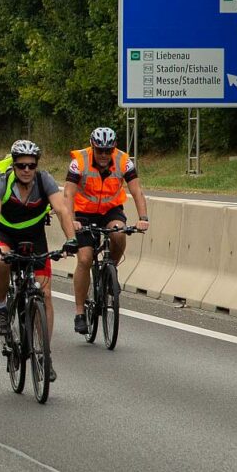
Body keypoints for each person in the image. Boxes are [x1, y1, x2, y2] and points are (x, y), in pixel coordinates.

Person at [0, 140, 77, 382]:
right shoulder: (1, 182)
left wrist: (71, 240)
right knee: (2, 262)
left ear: (36, 166)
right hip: (5, 234)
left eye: (31, 165)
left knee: (45, 295)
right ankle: (2, 304)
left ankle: (45, 354)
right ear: (14, 165)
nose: (26, 170)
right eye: (21, 165)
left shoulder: (44, 181)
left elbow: (62, 210)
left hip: (34, 237)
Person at [64, 127, 149, 335]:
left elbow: (136, 190)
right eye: (99, 150)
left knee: (119, 234)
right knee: (84, 259)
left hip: (110, 210)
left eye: (107, 151)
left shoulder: (123, 161)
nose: (103, 155)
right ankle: (79, 312)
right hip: (83, 212)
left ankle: (111, 269)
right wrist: (71, 221)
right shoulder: (79, 162)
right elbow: (68, 194)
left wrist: (143, 218)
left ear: (113, 148)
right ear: (93, 147)